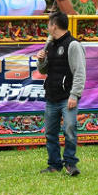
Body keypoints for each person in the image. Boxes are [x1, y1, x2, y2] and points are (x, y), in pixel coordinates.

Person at [36, 11, 85, 176]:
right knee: (50, 133)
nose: (47, 27)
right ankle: (54, 164)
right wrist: (41, 60)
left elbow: (80, 72)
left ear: (54, 25)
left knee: (69, 129)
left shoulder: (73, 45)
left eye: (49, 24)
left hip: (67, 98)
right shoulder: (49, 45)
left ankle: (70, 164)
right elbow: (43, 70)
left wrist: (74, 95)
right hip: (51, 96)